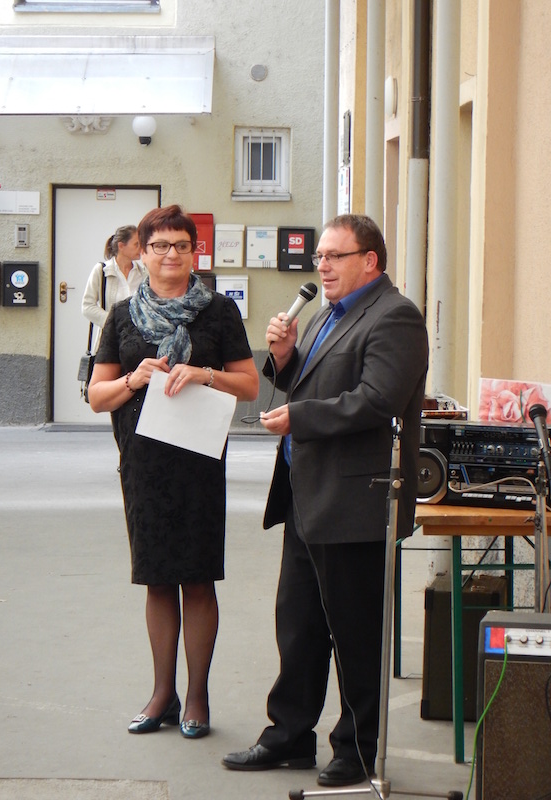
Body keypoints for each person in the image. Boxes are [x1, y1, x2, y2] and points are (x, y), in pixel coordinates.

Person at [222, 214, 428, 786]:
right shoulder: (322, 315)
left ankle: (357, 749)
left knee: (356, 634)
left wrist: (300, 417)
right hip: (306, 495)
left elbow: (377, 400)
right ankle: (289, 735)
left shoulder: (395, 316)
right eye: (320, 257)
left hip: (357, 500)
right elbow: (308, 386)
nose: (323, 266)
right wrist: (286, 357)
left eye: (335, 256)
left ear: (370, 261)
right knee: (299, 627)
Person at [87, 205, 259, 740]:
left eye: (181, 245)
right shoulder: (122, 315)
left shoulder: (219, 313)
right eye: (159, 245)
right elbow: (97, 396)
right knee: (157, 578)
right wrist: (134, 379)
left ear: (194, 252)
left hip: (199, 460)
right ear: (142, 252)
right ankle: (163, 694)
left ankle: (198, 697)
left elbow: (249, 384)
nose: (170, 255)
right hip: (144, 464)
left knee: (198, 578)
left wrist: (205, 374)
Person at [81, 224, 147, 349]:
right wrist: (114, 322)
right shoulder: (102, 271)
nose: (141, 248)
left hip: (138, 342)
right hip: (110, 341)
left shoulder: (143, 273)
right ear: (121, 246)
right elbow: (87, 306)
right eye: (136, 244)